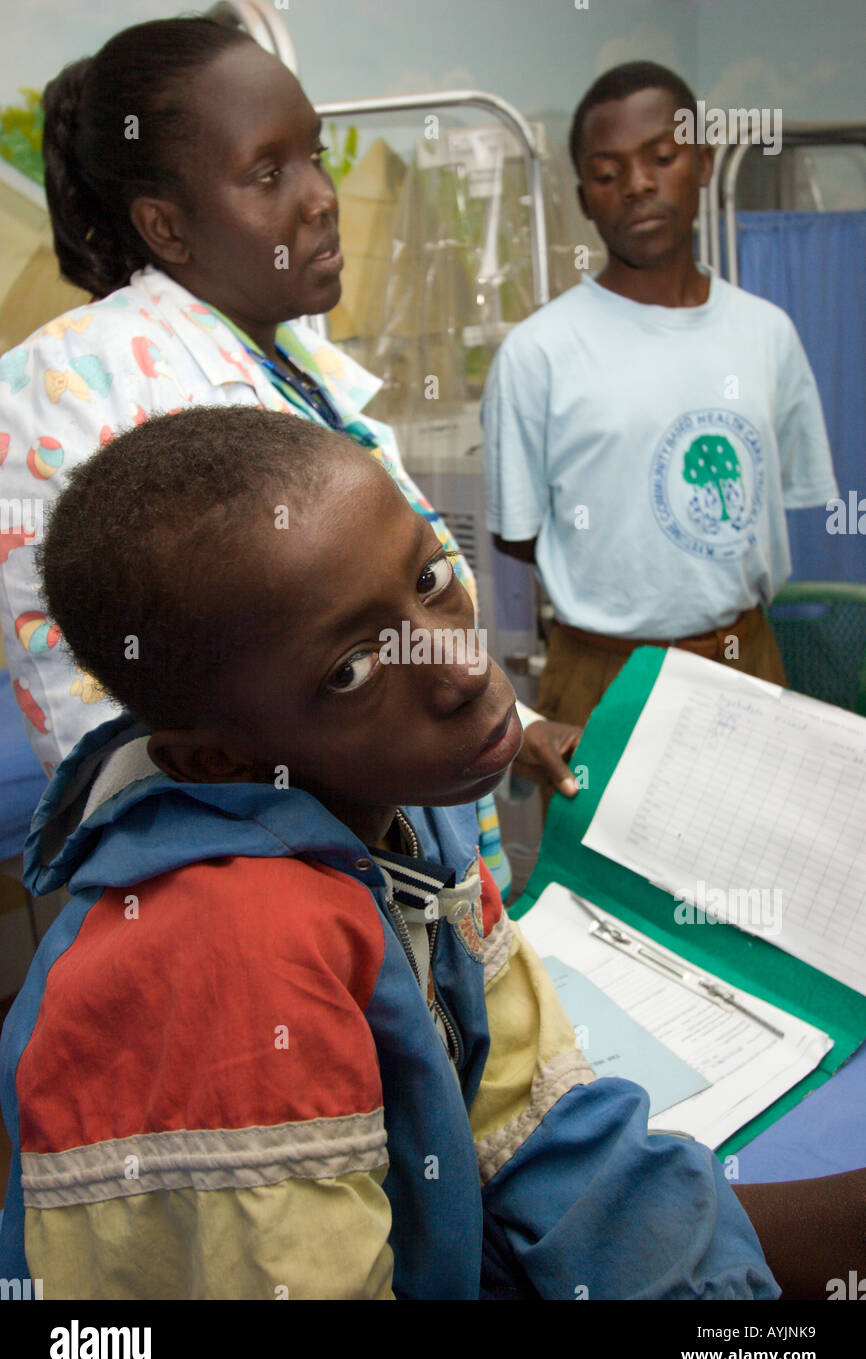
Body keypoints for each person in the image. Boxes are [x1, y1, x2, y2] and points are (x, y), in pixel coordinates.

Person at [0, 405, 782, 1300]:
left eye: (431, 575)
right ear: (218, 759)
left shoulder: (407, 814)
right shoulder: (228, 962)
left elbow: (534, 1123)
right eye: (351, 671)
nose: (460, 669)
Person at [0, 17, 581, 895]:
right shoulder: (67, 386)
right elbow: (115, 734)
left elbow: (372, 608)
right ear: (165, 225)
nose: (319, 197)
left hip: (416, 897)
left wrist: (515, 721)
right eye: (269, 174)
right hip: (290, 910)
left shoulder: (297, 365)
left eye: (314, 155)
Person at [482, 61, 838, 734]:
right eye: (608, 173)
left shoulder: (767, 333)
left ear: (703, 163)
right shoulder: (539, 354)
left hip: (746, 658)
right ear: (585, 197)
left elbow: (772, 498)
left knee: (748, 840)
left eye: (662, 158)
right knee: (601, 843)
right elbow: (518, 534)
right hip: (600, 673)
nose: (639, 185)